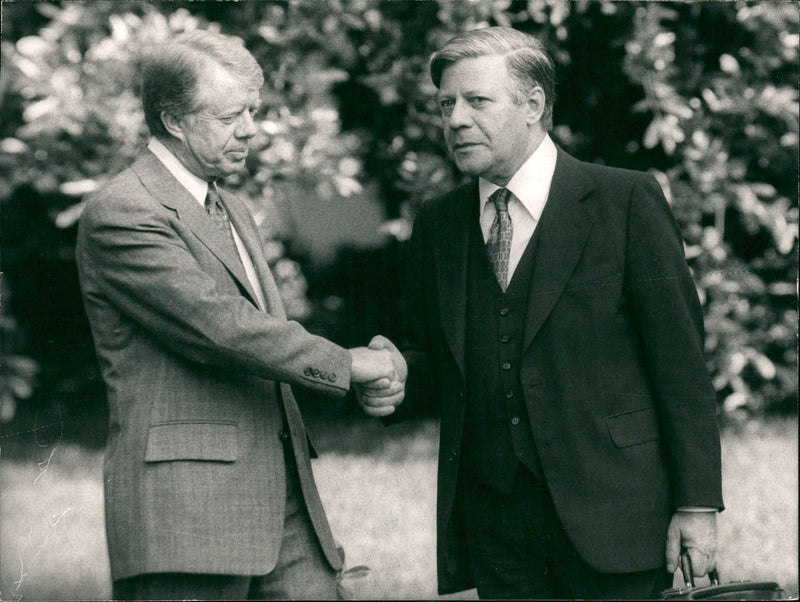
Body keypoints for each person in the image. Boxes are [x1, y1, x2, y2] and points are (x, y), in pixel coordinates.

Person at [359, 26, 723, 599]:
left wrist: (698, 504)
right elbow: (441, 363)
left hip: (617, 518)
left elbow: (680, 366)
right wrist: (398, 380)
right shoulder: (438, 224)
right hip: (496, 530)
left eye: (476, 101)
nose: (454, 119)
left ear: (533, 105)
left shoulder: (623, 201)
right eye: (445, 104)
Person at [76, 30, 403, 601]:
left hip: (285, 501)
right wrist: (348, 366)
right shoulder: (123, 210)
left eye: (253, 110)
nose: (251, 129)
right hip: (184, 513)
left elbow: (257, 335)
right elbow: (218, 327)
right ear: (174, 120)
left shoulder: (230, 205)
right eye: (232, 115)